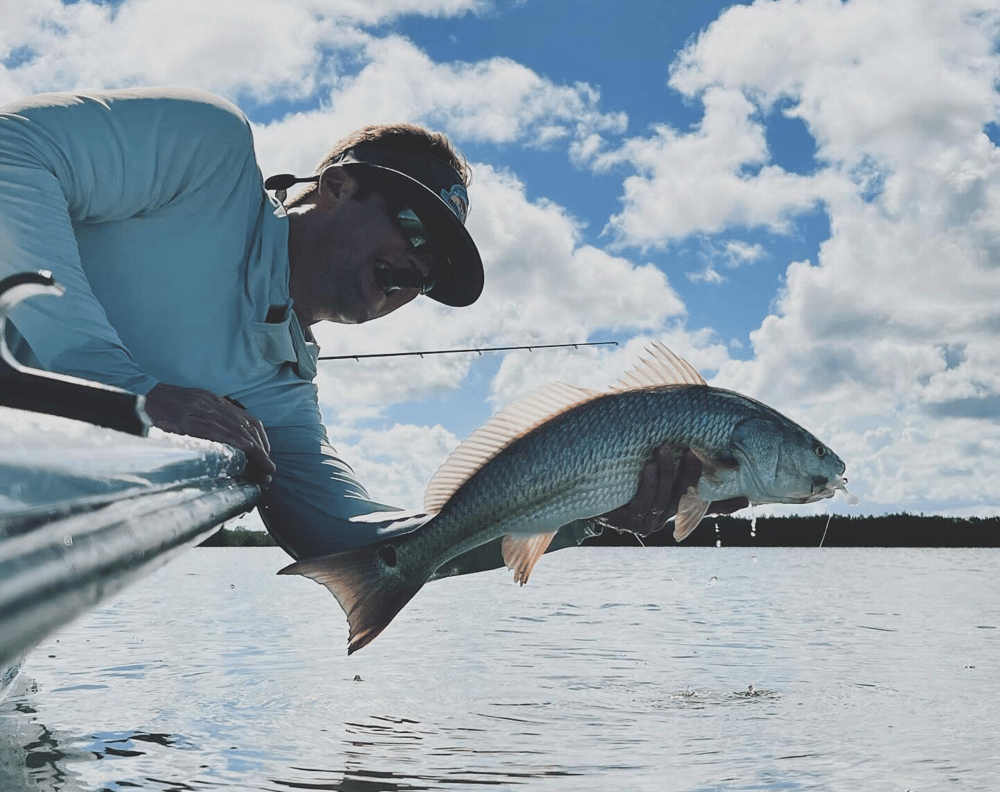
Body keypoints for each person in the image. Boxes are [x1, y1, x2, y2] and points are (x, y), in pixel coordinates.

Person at [0, 86, 742, 573]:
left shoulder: (281, 398)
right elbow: (13, 146)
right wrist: (125, 391)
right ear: (337, 185)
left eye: (437, 271)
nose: (418, 270)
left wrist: (590, 504)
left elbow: (359, 539)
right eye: (416, 227)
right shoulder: (207, 154)